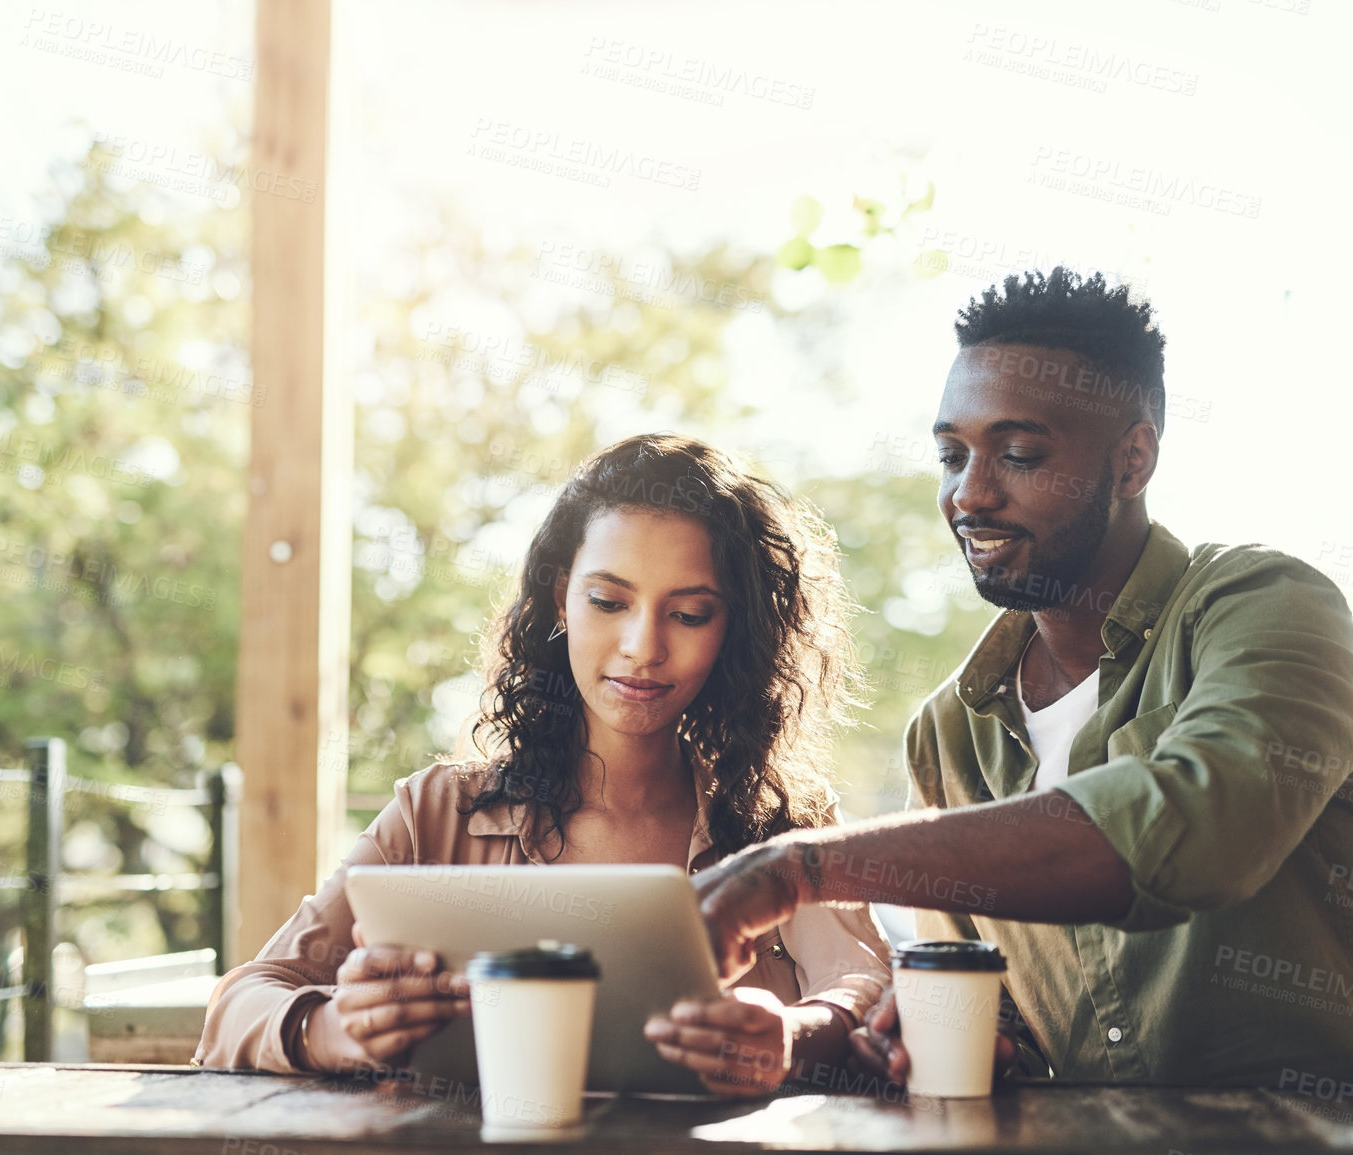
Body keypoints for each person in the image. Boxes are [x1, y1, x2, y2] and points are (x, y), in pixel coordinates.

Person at [691, 268, 1353, 1086]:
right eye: (950, 455)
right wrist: (940, 1024)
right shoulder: (950, 730)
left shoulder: (1265, 605)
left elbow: (1198, 826)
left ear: (1132, 459)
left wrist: (796, 864)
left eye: (1018, 453)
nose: (969, 493)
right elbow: (999, 1000)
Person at [197, 434, 891, 1095]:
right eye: (607, 601)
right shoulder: (437, 813)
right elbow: (238, 1003)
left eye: (688, 613)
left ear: (733, 629)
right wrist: (334, 1029)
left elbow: (869, 991)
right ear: (561, 596)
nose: (640, 647)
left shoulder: (783, 821)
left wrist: (793, 1036)